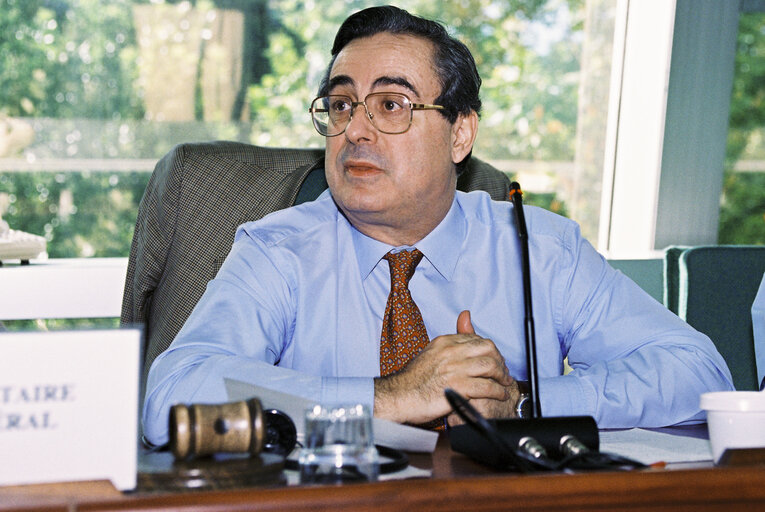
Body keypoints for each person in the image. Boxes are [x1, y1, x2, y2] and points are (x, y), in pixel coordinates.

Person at [142, 5, 733, 446]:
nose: (356, 130)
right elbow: (171, 395)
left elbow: (698, 372)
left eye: (392, 105)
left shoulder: (538, 247)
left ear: (460, 134)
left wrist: (520, 402)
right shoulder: (277, 250)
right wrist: (393, 397)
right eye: (343, 104)